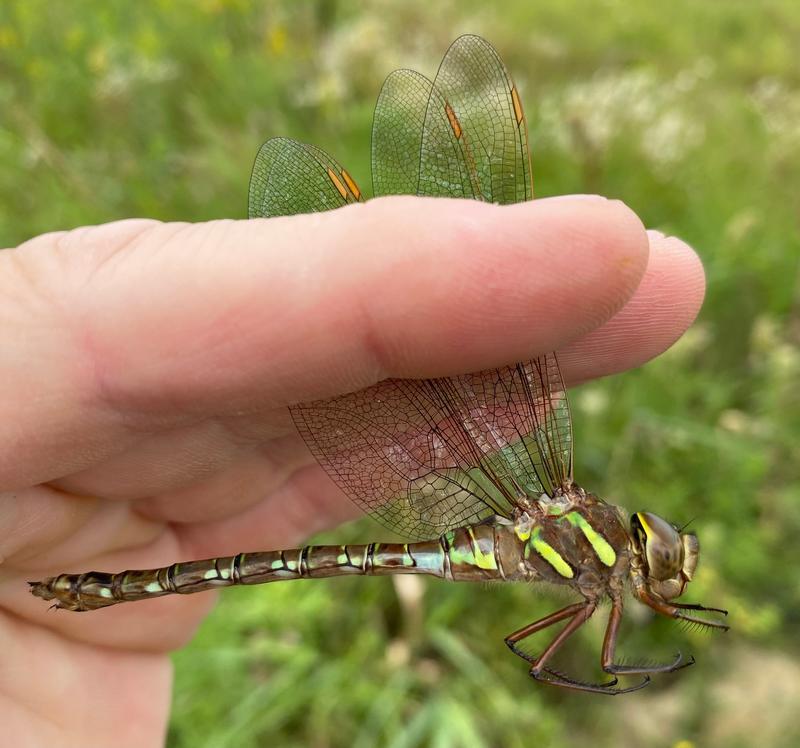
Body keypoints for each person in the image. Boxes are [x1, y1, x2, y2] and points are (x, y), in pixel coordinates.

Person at [0, 195, 704, 745]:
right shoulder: (594, 572)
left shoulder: (594, 583)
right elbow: (543, 653)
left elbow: (539, 651)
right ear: (632, 550)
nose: (662, 568)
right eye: (661, 557)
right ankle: (114, 587)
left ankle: (104, 588)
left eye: (664, 560)